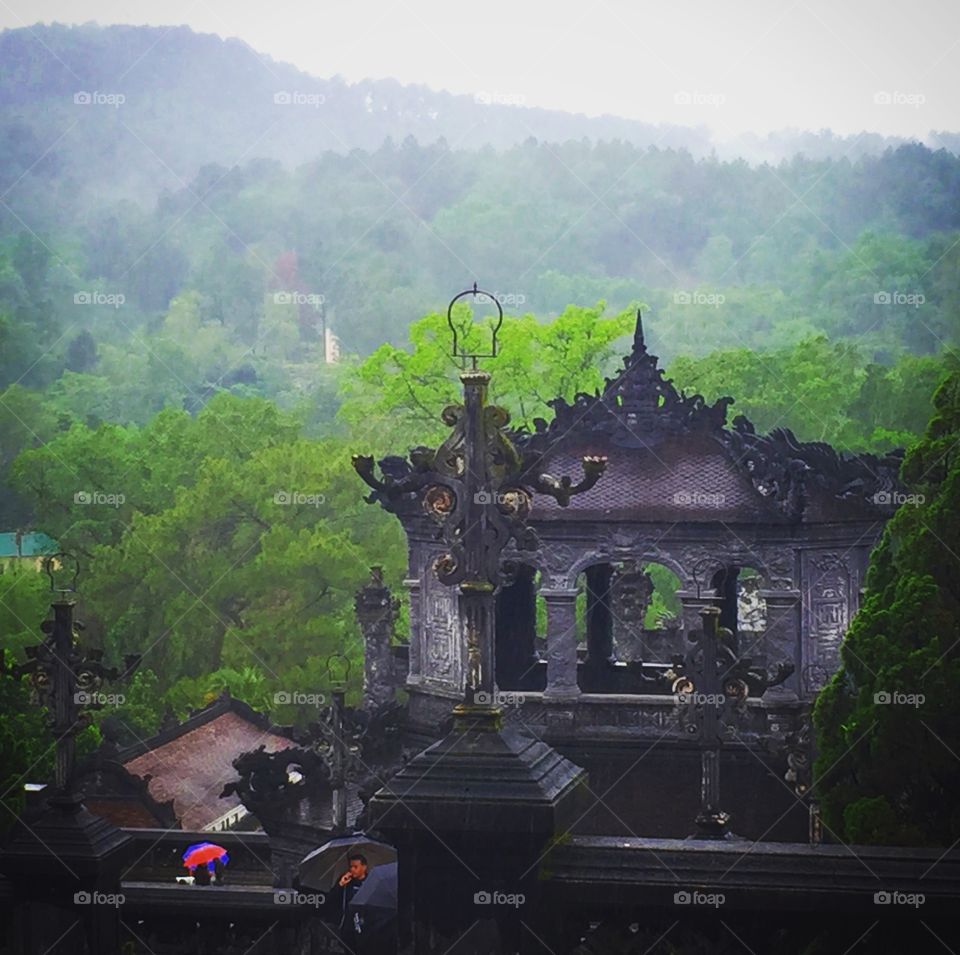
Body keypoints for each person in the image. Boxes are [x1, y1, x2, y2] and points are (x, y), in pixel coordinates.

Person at [337, 853, 369, 946]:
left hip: (364, 923)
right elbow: (334, 899)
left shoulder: (370, 881)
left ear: (364, 867)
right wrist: (341, 885)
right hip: (348, 925)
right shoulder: (347, 882)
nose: (352, 870)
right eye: (351, 867)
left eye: (356, 867)